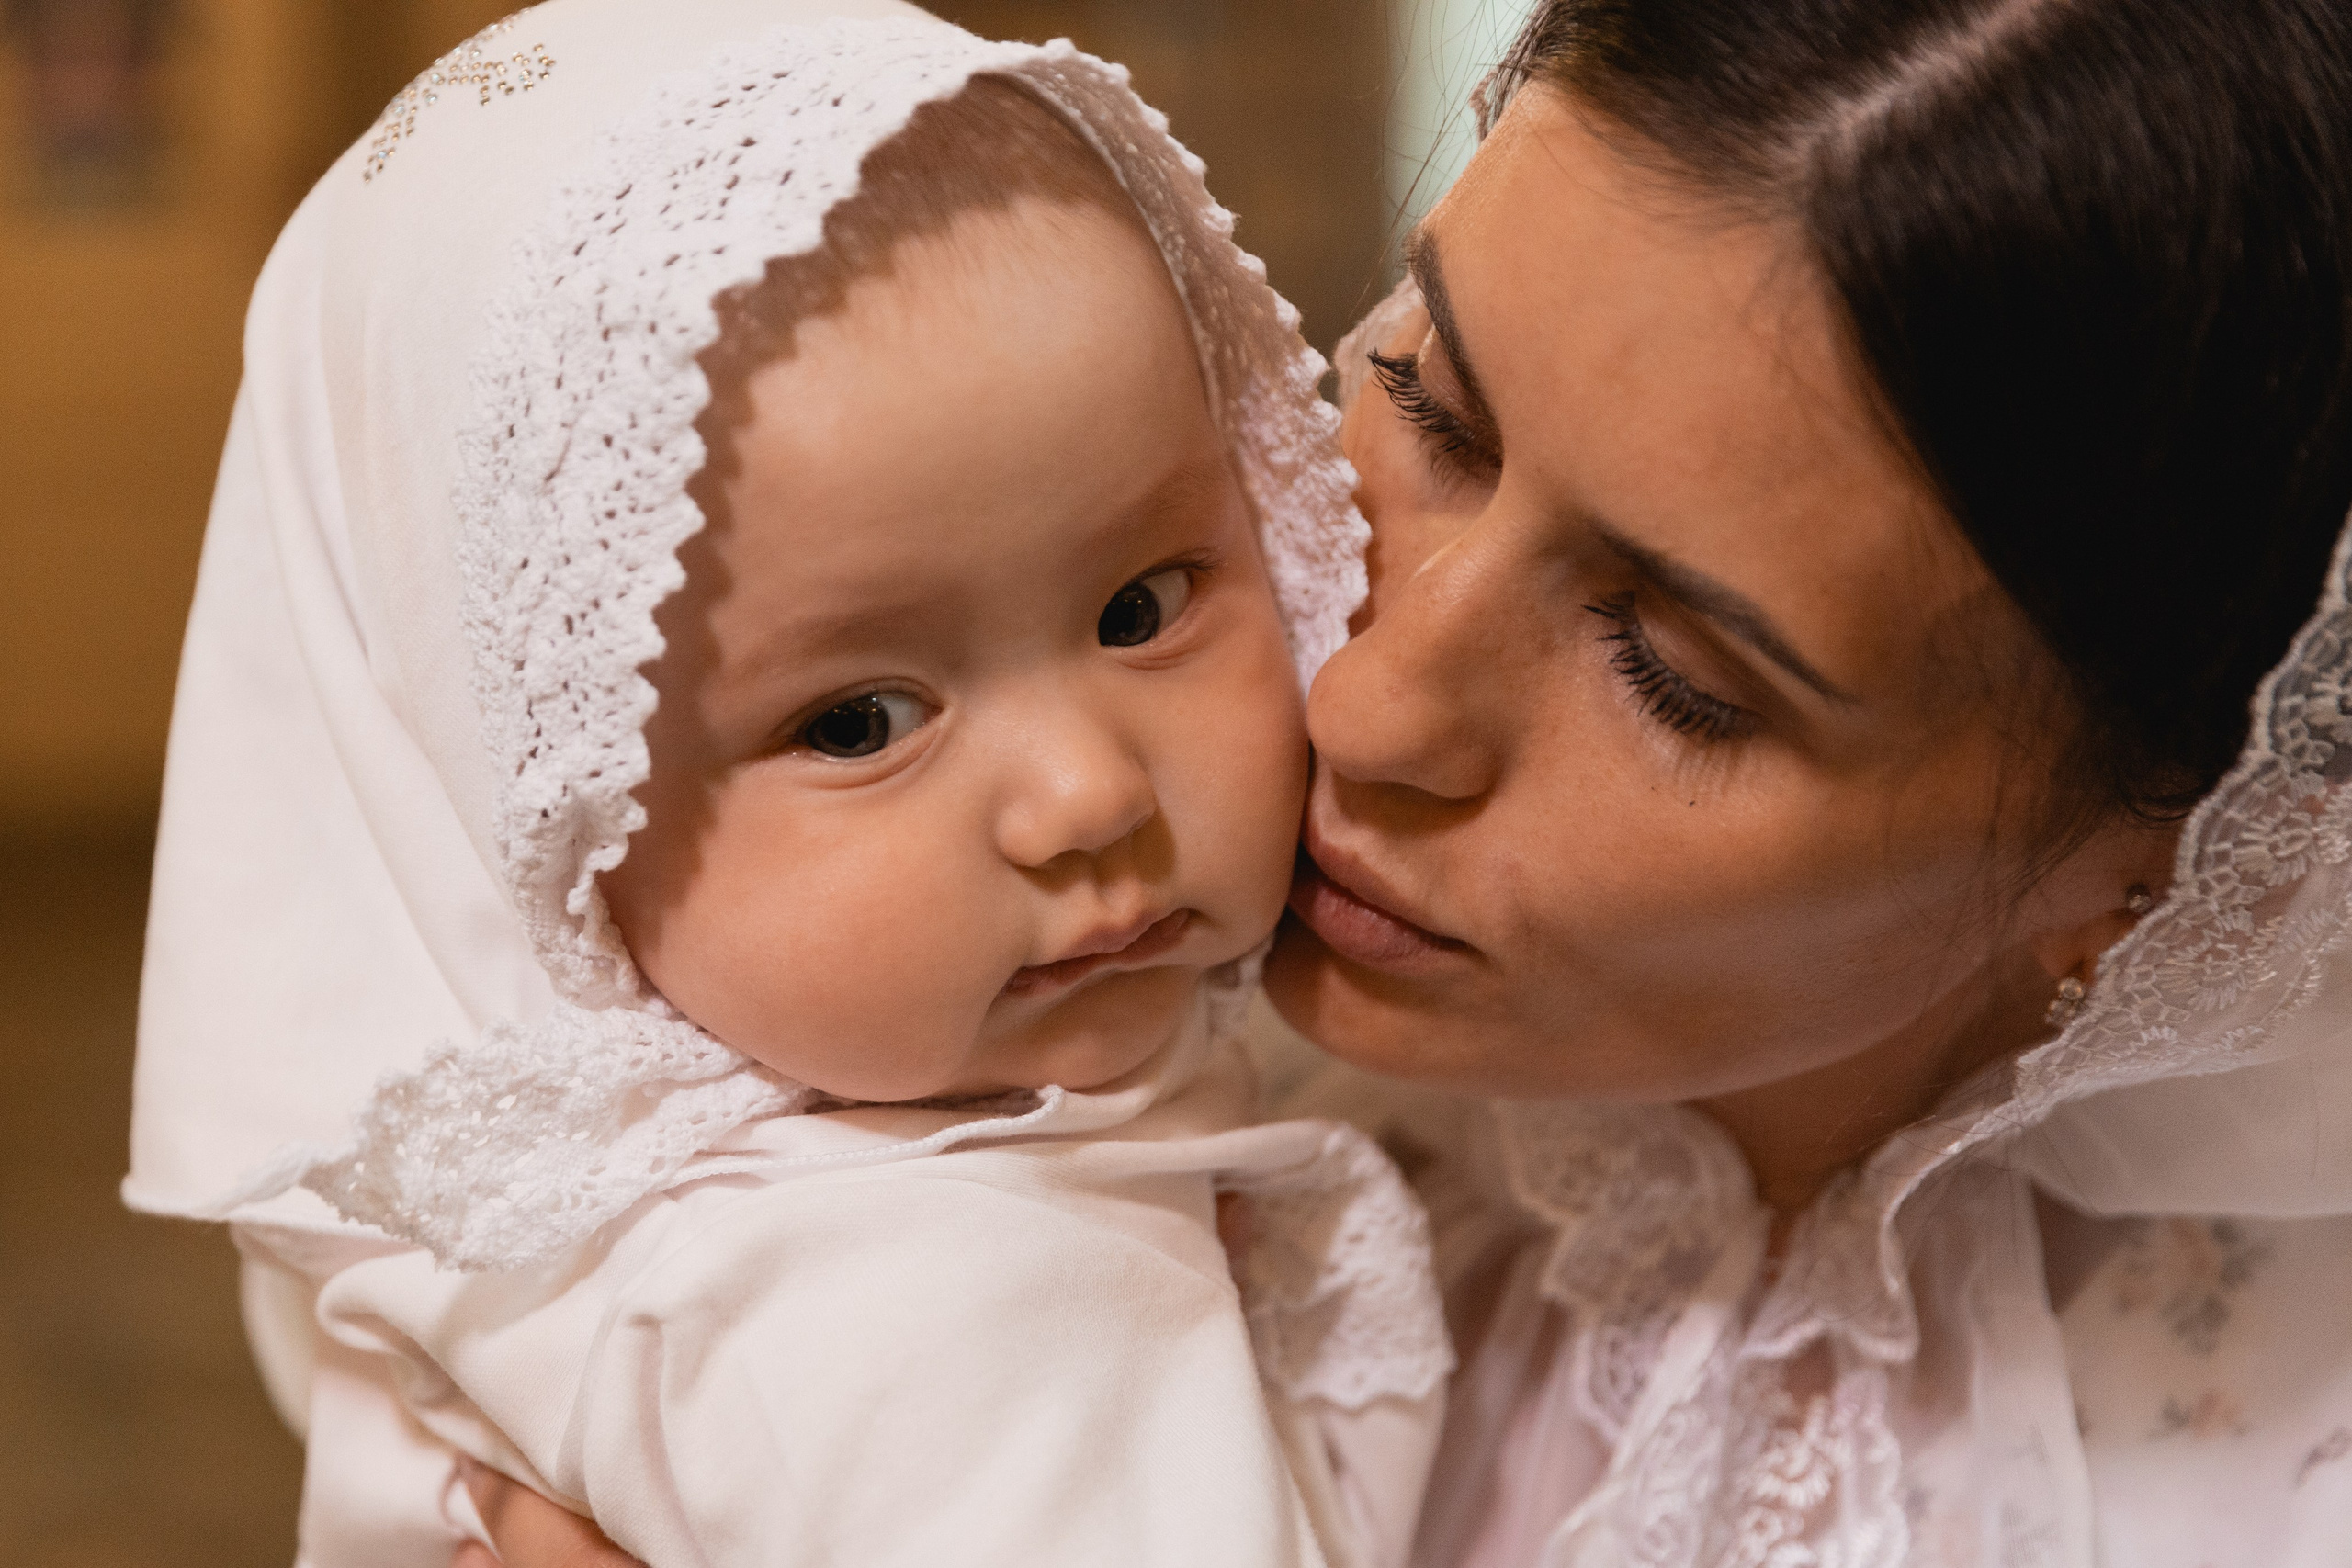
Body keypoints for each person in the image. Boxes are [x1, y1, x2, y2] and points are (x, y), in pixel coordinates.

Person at [464, 0, 2352, 1563]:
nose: (1365, 700)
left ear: (2182, 854)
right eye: (1426, 402)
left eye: (1670, 675)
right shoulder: (1021, 1073)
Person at [119, 3, 1455, 1565]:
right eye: (859, 721)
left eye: (1141, 609)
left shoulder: (466, 1229)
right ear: (540, 818)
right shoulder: (963, 1314)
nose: (1088, 796)